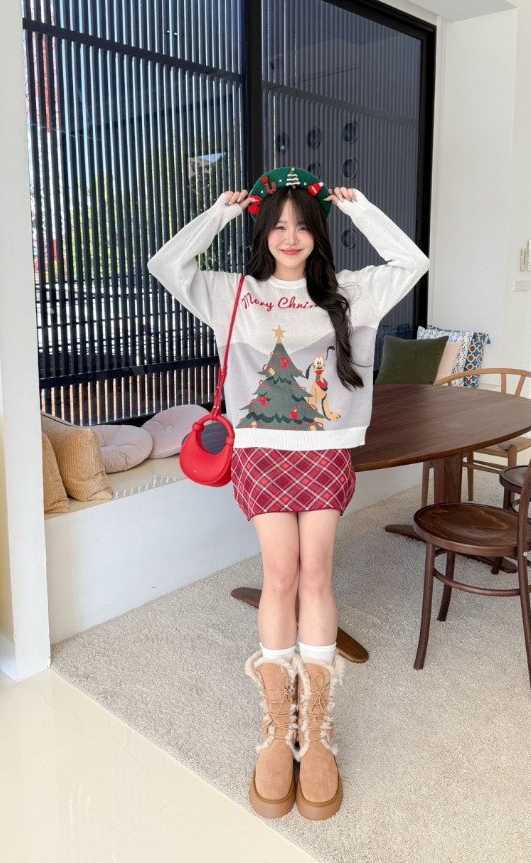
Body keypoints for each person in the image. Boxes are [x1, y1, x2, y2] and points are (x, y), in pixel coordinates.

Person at [147, 166, 429, 821]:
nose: (290, 236)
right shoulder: (236, 294)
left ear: (318, 233)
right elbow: (167, 265)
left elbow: (411, 262)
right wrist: (221, 211)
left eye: (302, 225)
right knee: (279, 575)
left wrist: (359, 206)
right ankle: (278, 727)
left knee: (315, 574)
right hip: (261, 454)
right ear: (263, 233)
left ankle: (317, 729)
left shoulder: (349, 293)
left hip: (324, 453)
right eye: (278, 225)